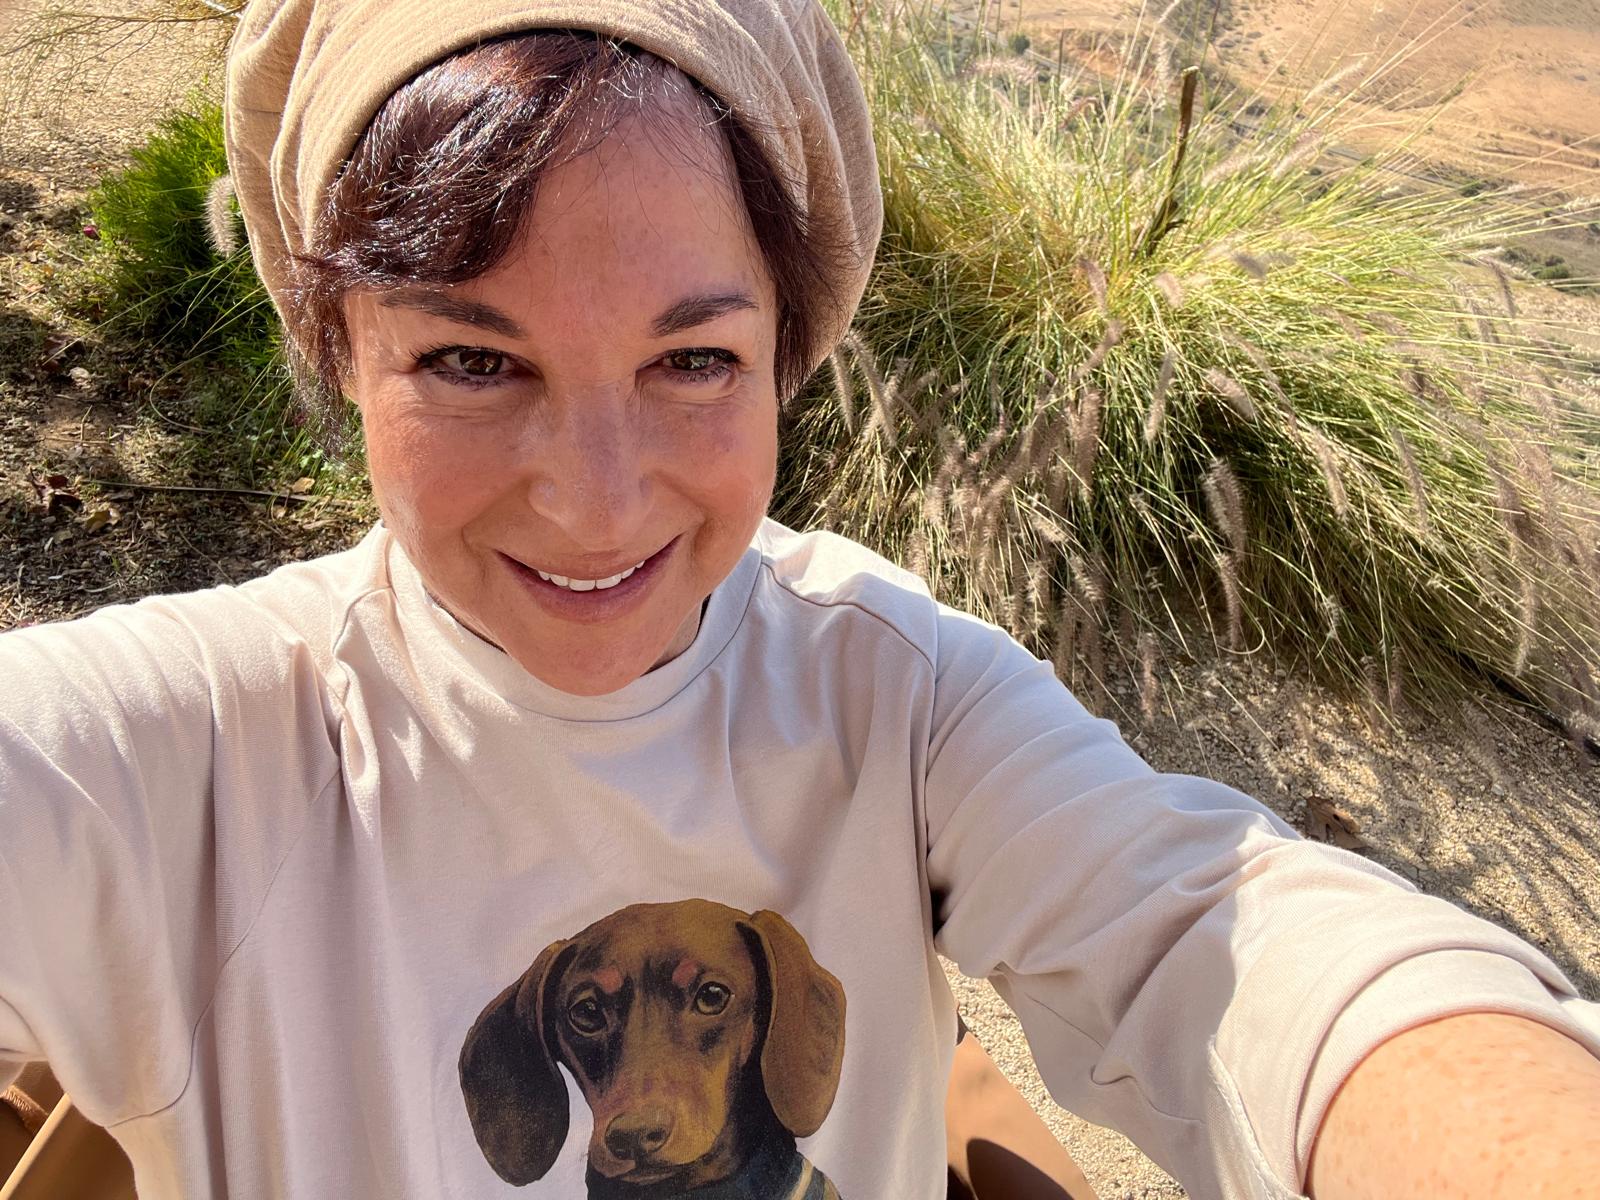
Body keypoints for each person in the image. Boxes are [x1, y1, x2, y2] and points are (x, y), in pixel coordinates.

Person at [1, 1, 1597, 1197]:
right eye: (472, 361)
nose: (596, 503)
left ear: (788, 352)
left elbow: (1209, 932)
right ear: (341, 355)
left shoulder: (892, 691)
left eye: (693, 360)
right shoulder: (181, 749)